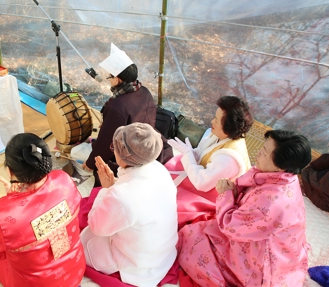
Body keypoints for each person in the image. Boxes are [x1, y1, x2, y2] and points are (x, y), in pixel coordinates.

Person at [177, 130, 312, 287]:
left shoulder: (271, 203)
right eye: (263, 147)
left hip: (263, 257)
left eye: (265, 152)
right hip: (284, 248)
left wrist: (226, 196)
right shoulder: (288, 177)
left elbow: (231, 227)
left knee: (190, 243)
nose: (259, 152)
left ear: (279, 166)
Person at [0, 133, 85, 287]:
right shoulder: (63, 180)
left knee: (2, 259)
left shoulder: (2, 214)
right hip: (74, 271)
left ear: (10, 171)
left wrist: (11, 201)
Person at [80, 123, 178, 287]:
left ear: (123, 156)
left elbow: (97, 226)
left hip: (138, 267)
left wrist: (107, 189)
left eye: (114, 148)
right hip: (162, 255)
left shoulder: (122, 196)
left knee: (82, 240)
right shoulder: (159, 169)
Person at [82, 43, 172, 186]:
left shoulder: (117, 106)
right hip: (148, 146)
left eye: (109, 77)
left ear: (117, 79)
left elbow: (106, 144)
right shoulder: (145, 91)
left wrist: (90, 163)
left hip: (130, 157)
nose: (109, 80)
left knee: (77, 153)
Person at [166, 95, 253, 226]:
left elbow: (202, 183)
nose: (212, 121)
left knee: (169, 206)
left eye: (217, 121)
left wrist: (188, 154)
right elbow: (202, 153)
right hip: (201, 177)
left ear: (228, 128)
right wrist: (190, 154)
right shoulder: (223, 135)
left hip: (209, 194)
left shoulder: (228, 159)